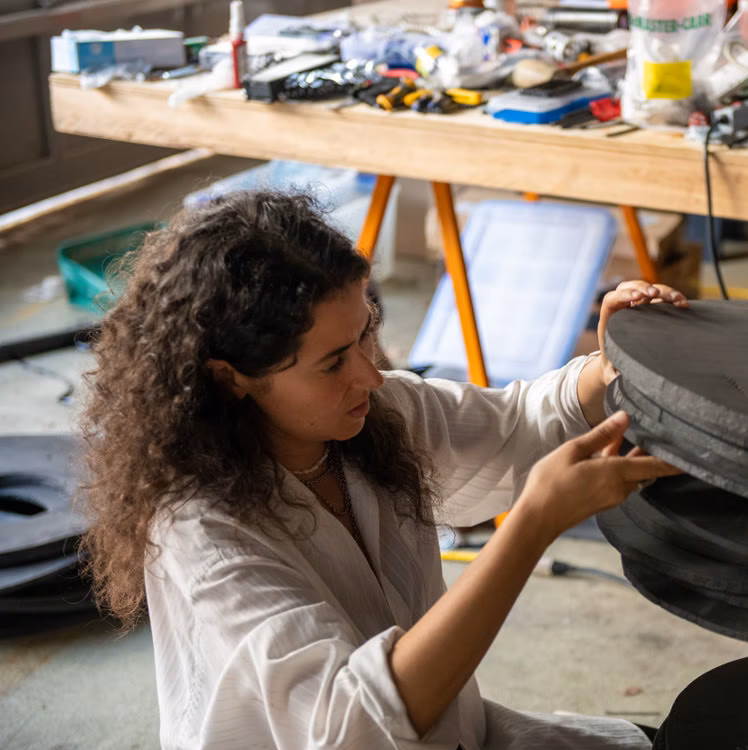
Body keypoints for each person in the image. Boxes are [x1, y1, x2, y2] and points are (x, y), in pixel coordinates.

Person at [79, 190, 686, 750]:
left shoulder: (371, 414)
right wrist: (529, 527)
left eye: (365, 334)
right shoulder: (203, 533)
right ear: (228, 377)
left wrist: (602, 370)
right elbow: (354, 726)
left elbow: (514, 425)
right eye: (333, 361)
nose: (370, 374)